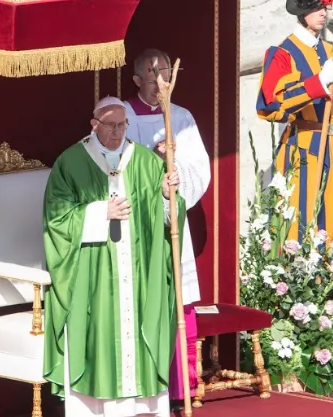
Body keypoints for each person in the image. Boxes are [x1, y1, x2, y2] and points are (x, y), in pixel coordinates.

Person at [42, 96, 186, 417]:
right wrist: (98, 213)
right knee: (100, 337)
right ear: (94, 125)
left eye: (123, 124)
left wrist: (165, 194)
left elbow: (165, 221)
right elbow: (56, 217)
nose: (118, 131)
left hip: (136, 274)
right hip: (93, 274)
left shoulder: (147, 161)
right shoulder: (71, 162)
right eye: (111, 125)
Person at [124, 48, 211, 405]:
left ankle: (180, 387)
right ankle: (142, 384)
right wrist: (153, 161)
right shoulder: (121, 115)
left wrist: (176, 172)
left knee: (177, 298)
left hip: (172, 221)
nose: (162, 83)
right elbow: (114, 165)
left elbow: (199, 170)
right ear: (137, 80)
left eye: (166, 74)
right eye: (154, 75)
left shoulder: (182, 117)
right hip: (135, 225)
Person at [256, 0, 333, 257]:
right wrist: (318, 82)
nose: (323, 12)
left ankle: (332, 288)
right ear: (302, 12)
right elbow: (271, 103)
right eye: (317, 7)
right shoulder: (283, 53)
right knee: (298, 219)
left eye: (325, 7)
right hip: (301, 148)